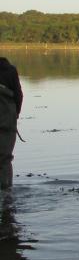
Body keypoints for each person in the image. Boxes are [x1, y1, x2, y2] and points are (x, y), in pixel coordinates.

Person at [0, 57, 22, 191]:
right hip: (7, 121)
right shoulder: (11, 71)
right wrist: (16, 114)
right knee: (5, 159)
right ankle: (7, 190)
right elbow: (19, 95)